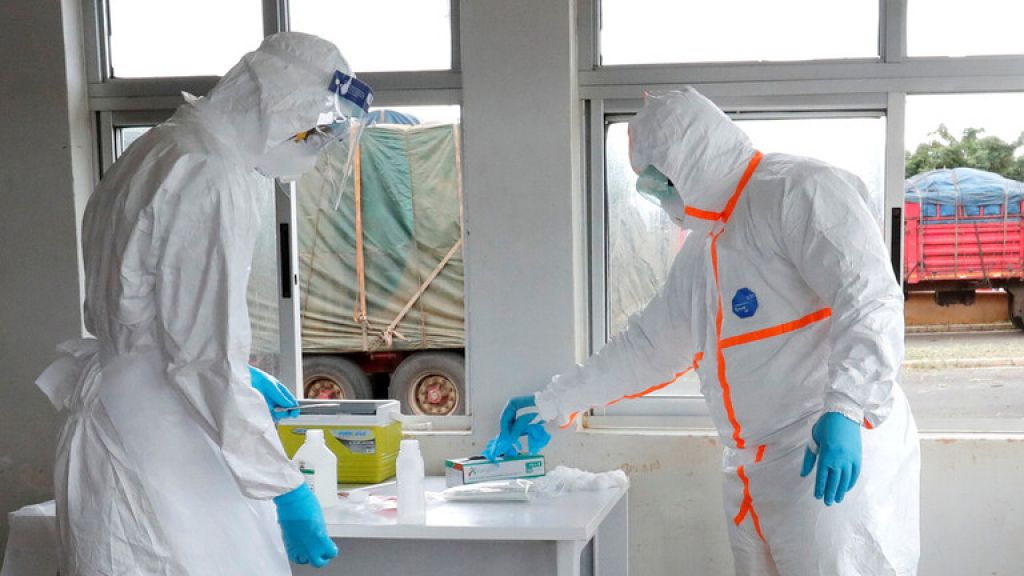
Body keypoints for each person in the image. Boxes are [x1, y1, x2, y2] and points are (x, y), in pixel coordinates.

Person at [490, 89, 920, 576]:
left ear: (692, 161)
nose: (658, 197)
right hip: (751, 468)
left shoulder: (798, 190)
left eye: (660, 182)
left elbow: (869, 297)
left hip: (823, 454)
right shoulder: (703, 252)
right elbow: (647, 348)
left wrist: (847, 407)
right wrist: (553, 403)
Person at [35, 32, 372, 575]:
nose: (318, 143)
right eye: (315, 128)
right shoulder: (212, 174)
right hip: (156, 445)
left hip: (126, 416)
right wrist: (284, 488)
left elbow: (156, 316)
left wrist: (233, 373)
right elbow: (202, 360)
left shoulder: (161, 146)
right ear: (279, 107)